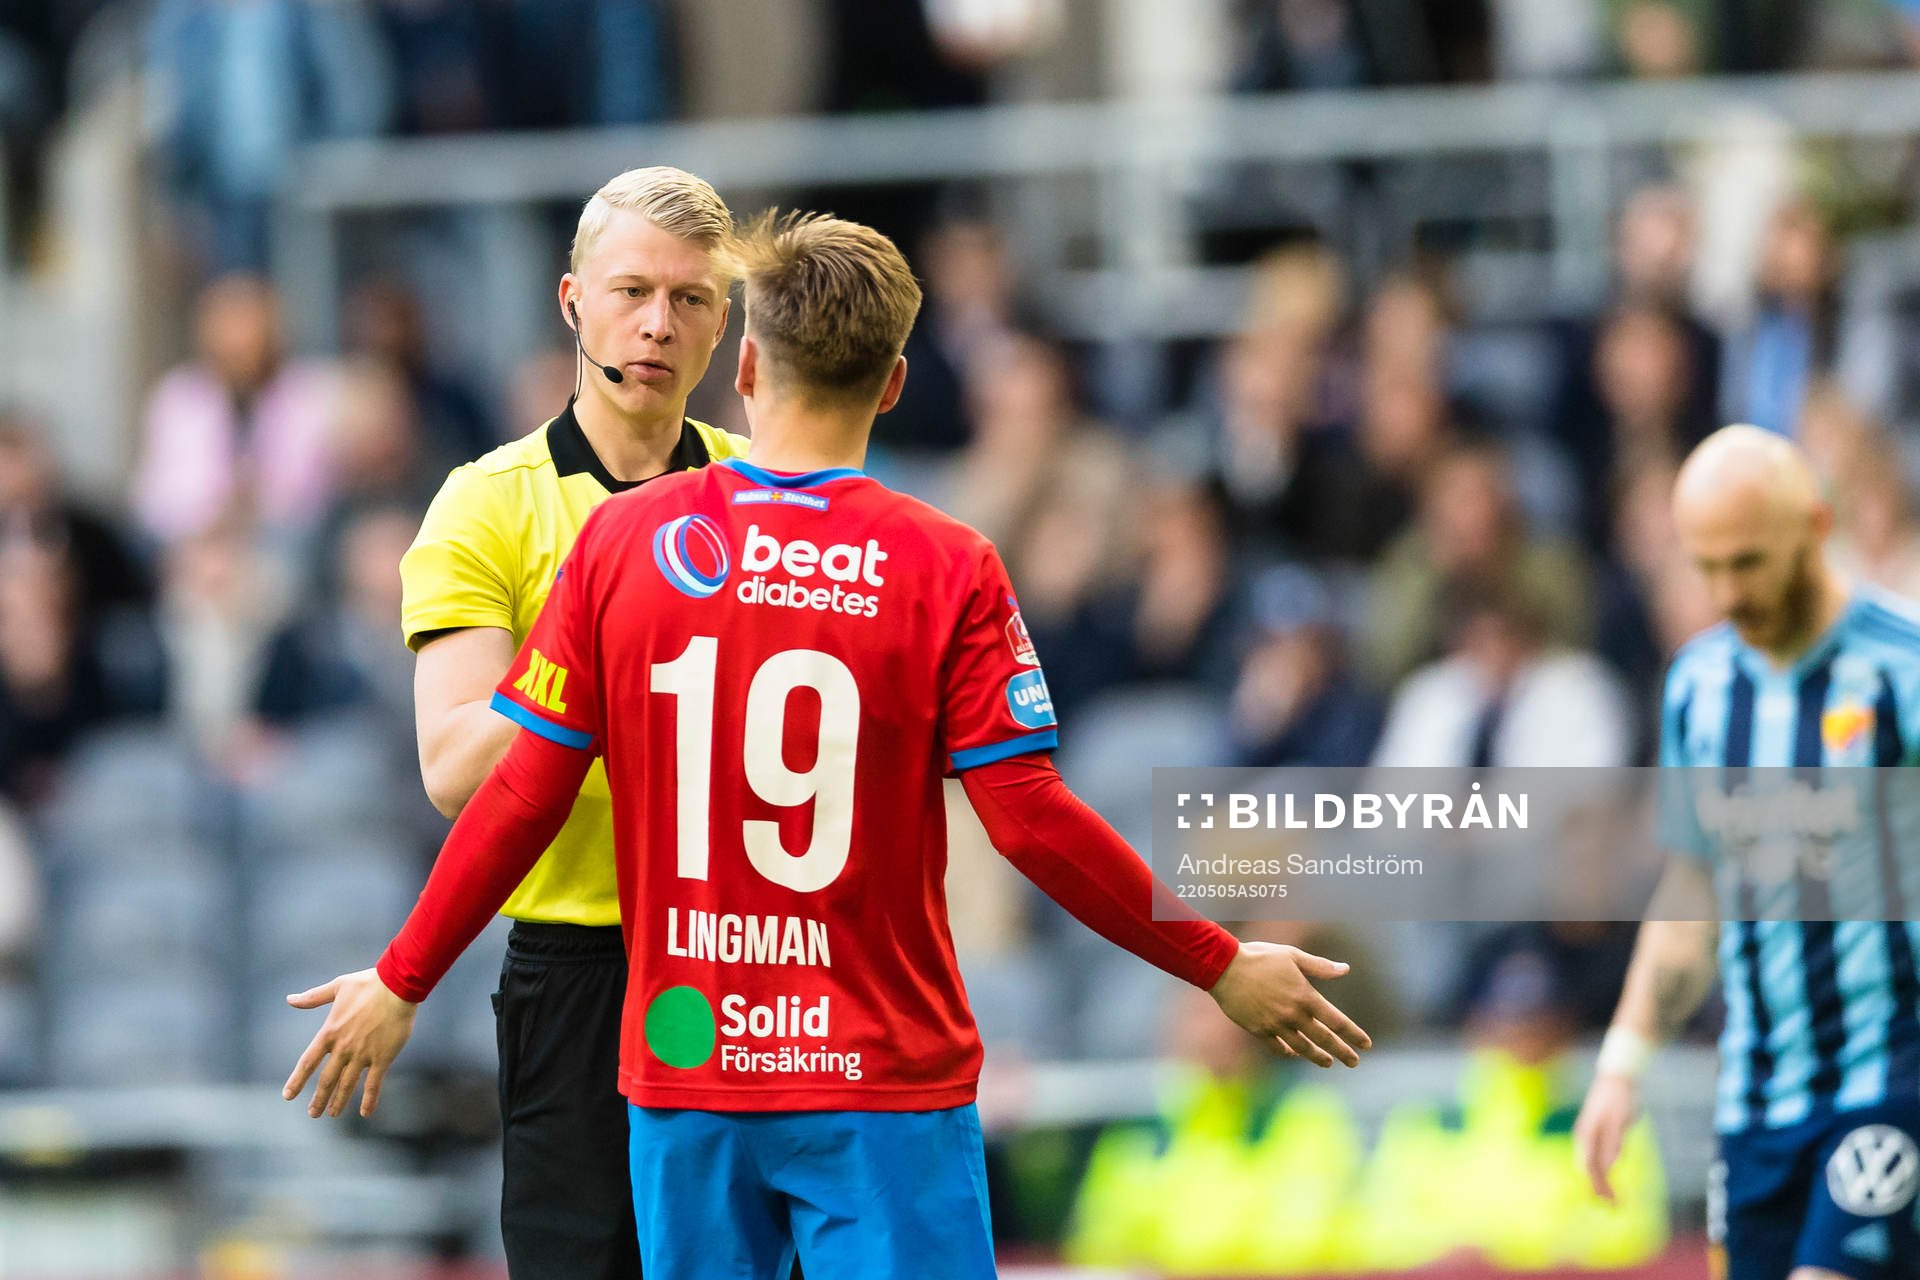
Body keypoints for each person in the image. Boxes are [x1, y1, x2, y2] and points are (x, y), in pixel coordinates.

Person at [283, 211, 1370, 1277]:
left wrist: (403, 976)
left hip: (692, 1069)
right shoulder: (946, 564)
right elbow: (1031, 822)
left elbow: (523, 789)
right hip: (878, 1069)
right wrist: (1218, 963)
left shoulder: (623, 542)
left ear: (747, 365)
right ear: (893, 385)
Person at [373, 167, 749, 1280]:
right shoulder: (487, 502)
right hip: (581, 965)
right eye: (632, 291)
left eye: (689, 299)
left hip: (745, 953)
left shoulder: (764, 493)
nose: (657, 324)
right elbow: (454, 768)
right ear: (572, 301)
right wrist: (600, 638)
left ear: (722, 323)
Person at [1574, 424, 1920, 1280]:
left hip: (1892, 1076)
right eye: (1708, 567)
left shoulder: (1901, 671)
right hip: (1757, 1103)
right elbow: (1692, 890)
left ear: (1815, 527)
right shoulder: (1698, 687)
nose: (1728, 592)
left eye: (1750, 563)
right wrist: (1622, 1064)